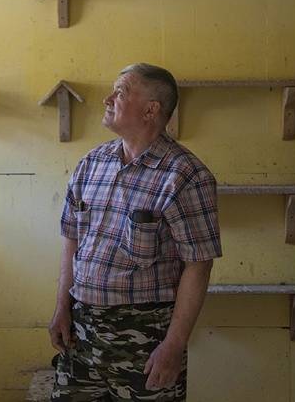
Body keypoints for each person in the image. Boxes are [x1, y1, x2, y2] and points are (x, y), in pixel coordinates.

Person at [48, 63, 222, 401]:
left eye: (120, 92)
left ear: (151, 110)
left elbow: (199, 265)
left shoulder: (185, 175)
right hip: (80, 333)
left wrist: (174, 345)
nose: (107, 99)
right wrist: (61, 308)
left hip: (144, 338)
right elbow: (71, 239)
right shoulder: (91, 164)